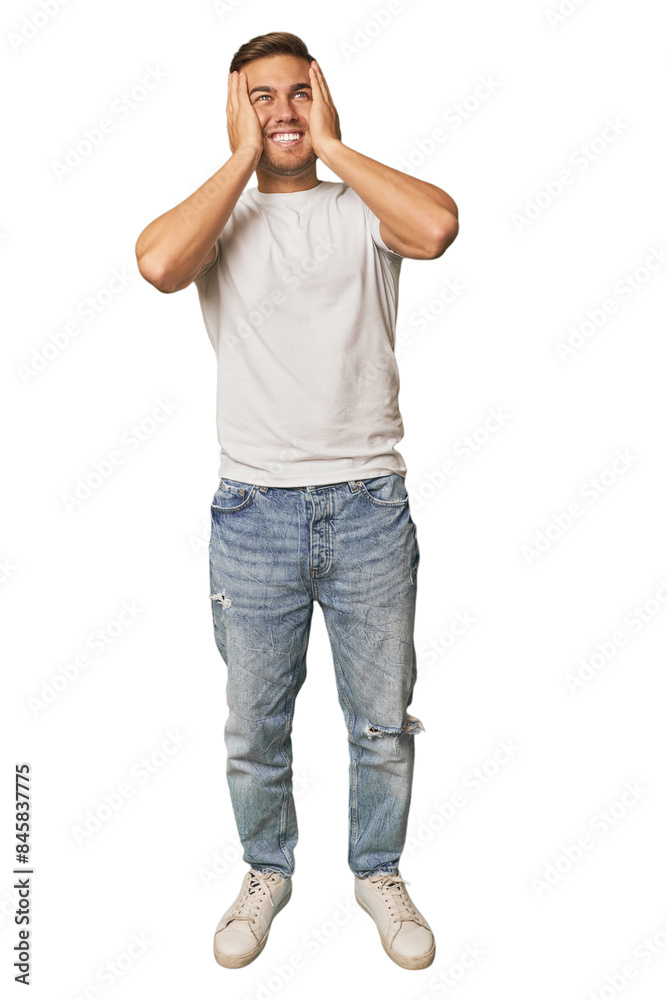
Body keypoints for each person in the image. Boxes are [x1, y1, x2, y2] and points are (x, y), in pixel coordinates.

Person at [135, 31, 458, 972]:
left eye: (297, 92)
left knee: (380, 717)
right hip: (254, 514)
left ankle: (376, 871)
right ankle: (265, 869)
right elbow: (156, 264)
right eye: (261, 97)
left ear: (323, 96)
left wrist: (331, 141)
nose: (282, 111)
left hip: (367, 508)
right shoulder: (220, 221)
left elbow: (435, 228)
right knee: (254, 723)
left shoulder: (362, 211)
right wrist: (242, 156)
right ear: (235, 111)